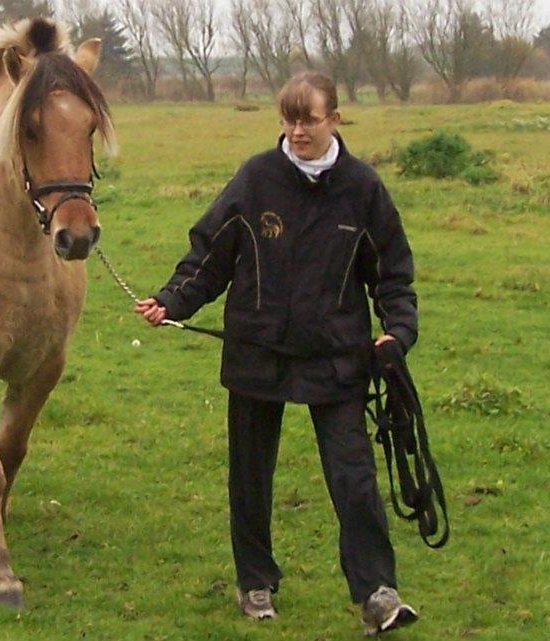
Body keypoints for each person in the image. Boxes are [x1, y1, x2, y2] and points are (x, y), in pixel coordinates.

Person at [134, 72, 419, 636]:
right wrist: (172, 301)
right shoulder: (255, 178)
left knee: (353, 476)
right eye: (288, 120)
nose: (297, 131)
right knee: (250, 475)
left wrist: (397, 333)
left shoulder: (363, 189)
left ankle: (377, 594)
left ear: (335, 119)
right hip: (256, 352)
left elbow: (392, 276)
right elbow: (209, 256)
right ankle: (255, 581)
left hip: (336, 357)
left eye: (308, 119)